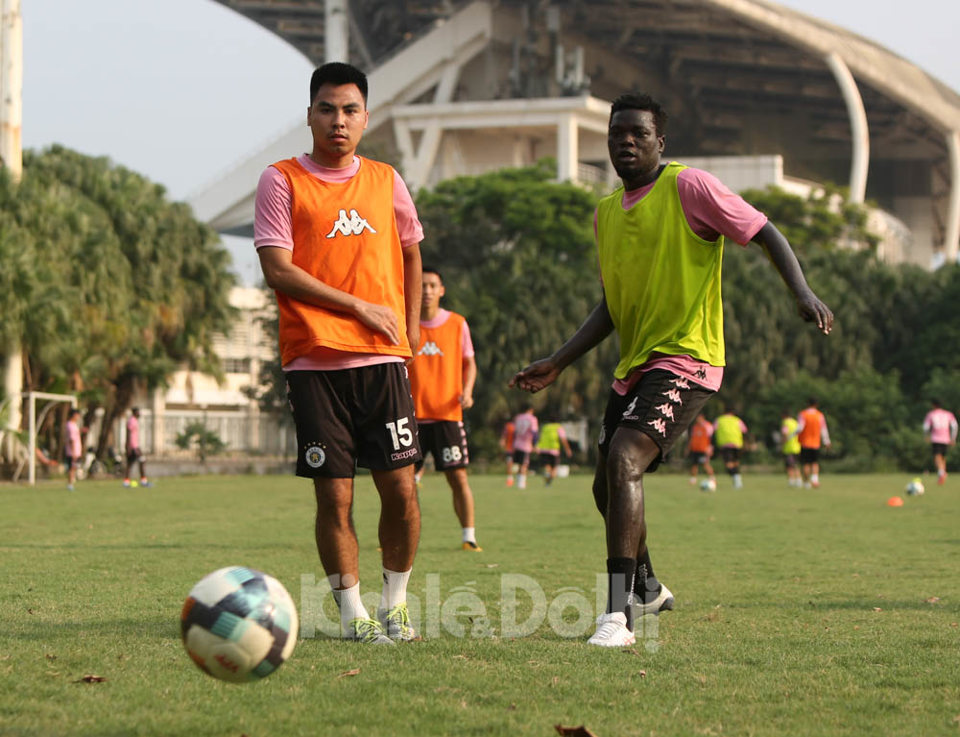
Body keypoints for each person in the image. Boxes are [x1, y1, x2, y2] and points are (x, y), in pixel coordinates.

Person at [510, 92, 833, 647]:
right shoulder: (606, 214)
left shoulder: (689, 186)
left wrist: (801, 291)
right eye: (617, 135)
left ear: (661, 141)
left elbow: (764, 230)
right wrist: (558, 362)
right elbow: (612, 306)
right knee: (603, 487)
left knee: (624, 458)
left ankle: (618, 616)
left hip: (689, 357)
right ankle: (648, 586)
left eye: (638, 133)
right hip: (635, 366)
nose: (625, 142)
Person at [254, 62, 424, 645]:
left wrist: (408, 323)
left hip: (382, 360)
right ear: (309, 115)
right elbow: (278, 270)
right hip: (314, 361)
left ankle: (395, 605)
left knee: (402, 490)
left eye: (350, 110)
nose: (338, 121)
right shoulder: (281, 180)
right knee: (336, 494)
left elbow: (410, 249)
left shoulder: (386, 180)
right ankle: (354, 616)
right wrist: (358, 306)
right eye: (326, 109)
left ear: (366, 118)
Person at [408, 267, 482, 551]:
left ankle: (469, 536)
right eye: (422, 285)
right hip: (411, 417)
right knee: (402, 482)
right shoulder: (406, 322)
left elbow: (469, 362)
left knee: (458, 477)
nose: (426, 290)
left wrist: (467, 391)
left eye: (432, 285)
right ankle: (396, 536)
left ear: (441, 290)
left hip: (447, 415)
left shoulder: (457, 324)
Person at [795, 397, 831, 488]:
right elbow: (823, 429)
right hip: (815, 443)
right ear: (816, 405)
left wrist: (792, 435)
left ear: (807, 404)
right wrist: (826, 441)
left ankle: (807, 483)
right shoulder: (819, 415)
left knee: (806, 463)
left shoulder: (803, 414)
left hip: (805, 443)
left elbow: (800, 428)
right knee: (814, 462)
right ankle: (815, 479)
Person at [922, 399, 957, 485]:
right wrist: (953, 438)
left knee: (937, 456)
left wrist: (926, 436)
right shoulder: (948, 414)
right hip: (946, 439)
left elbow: (926, 427)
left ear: (933, 405)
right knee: (943, 457)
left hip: (936, 438)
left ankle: (941, 473)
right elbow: (955, 426)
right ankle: (942, 474)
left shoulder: (931, 414)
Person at [714, 408, 748, 489]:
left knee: (728, 464)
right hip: (737, 444)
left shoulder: (719, 420)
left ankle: (737, 480)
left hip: (725, 445)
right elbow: (745, 431)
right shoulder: (737, 420)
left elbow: (713, 431)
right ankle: (737, 480)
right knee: (735, 463)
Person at [507, 405, 539, 489]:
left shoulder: (518, 418)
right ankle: (521, 484)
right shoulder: (532, 419)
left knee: (518, 464)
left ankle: (518, 481)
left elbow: (515, 432)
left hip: (516, 444)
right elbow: (534, 433)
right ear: (531, 410)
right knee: (524, 465)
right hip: (526, 445)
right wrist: (535, 444)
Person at [536, 420, 573, 485]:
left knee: (547, 467)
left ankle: (547, 477)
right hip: (554, 451)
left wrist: (537, 447)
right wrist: (568, 449)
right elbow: (563, 439)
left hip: (543, 450)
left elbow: (540, 438)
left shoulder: (545, 427)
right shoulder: (558, 427)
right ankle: (548, 479)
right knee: (554, 469)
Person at [123, 407, 151, 488]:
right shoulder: (131, 421)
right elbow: (128, 434)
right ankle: (143, 481)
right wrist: (128, 446)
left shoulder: (134, 421)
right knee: (141, 460)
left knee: (130, 463)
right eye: (138, 412)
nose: (139, 414)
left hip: (135, 446)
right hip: (133, 446)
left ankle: (126, 482)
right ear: (135, 412)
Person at [686, 412, 715, 486]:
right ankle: (693, 479)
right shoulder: (695, 427)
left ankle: (712, 478)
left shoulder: (708, 426)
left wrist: (710, 448)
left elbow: (711, 438)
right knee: (694, 464)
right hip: (695, 449)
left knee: (705, 464)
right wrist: (688, 448)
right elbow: (692, 438)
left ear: (702, 417)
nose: (697, 419)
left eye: (699, 418)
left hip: (704, 449)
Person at [780, 409, 802, 487]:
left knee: (789, 466)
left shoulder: (786, 422)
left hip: (789, 447)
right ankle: (799, 480)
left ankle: (791, 481)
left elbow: (785, 433)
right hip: (797, 446)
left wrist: (782, 443)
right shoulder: (795, 422)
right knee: (796, 464)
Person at [64, 409, 83, 491]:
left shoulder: (74, 425)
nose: (78, 417)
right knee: (72, 467)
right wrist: (73, 451)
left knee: (74, 467)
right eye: (77, 415)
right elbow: (71, 439)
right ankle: (70, 484)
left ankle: (71, 482)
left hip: (76, 450)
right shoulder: (70, 425)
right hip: (72, 451)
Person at [499, 419, 516, 485]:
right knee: (510, 463)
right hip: (511, 448)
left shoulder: (509, 426)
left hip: (514, 448)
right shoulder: (509, 426)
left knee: (512, 464)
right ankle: (510, 479)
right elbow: (504, 435)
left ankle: (514, 479)